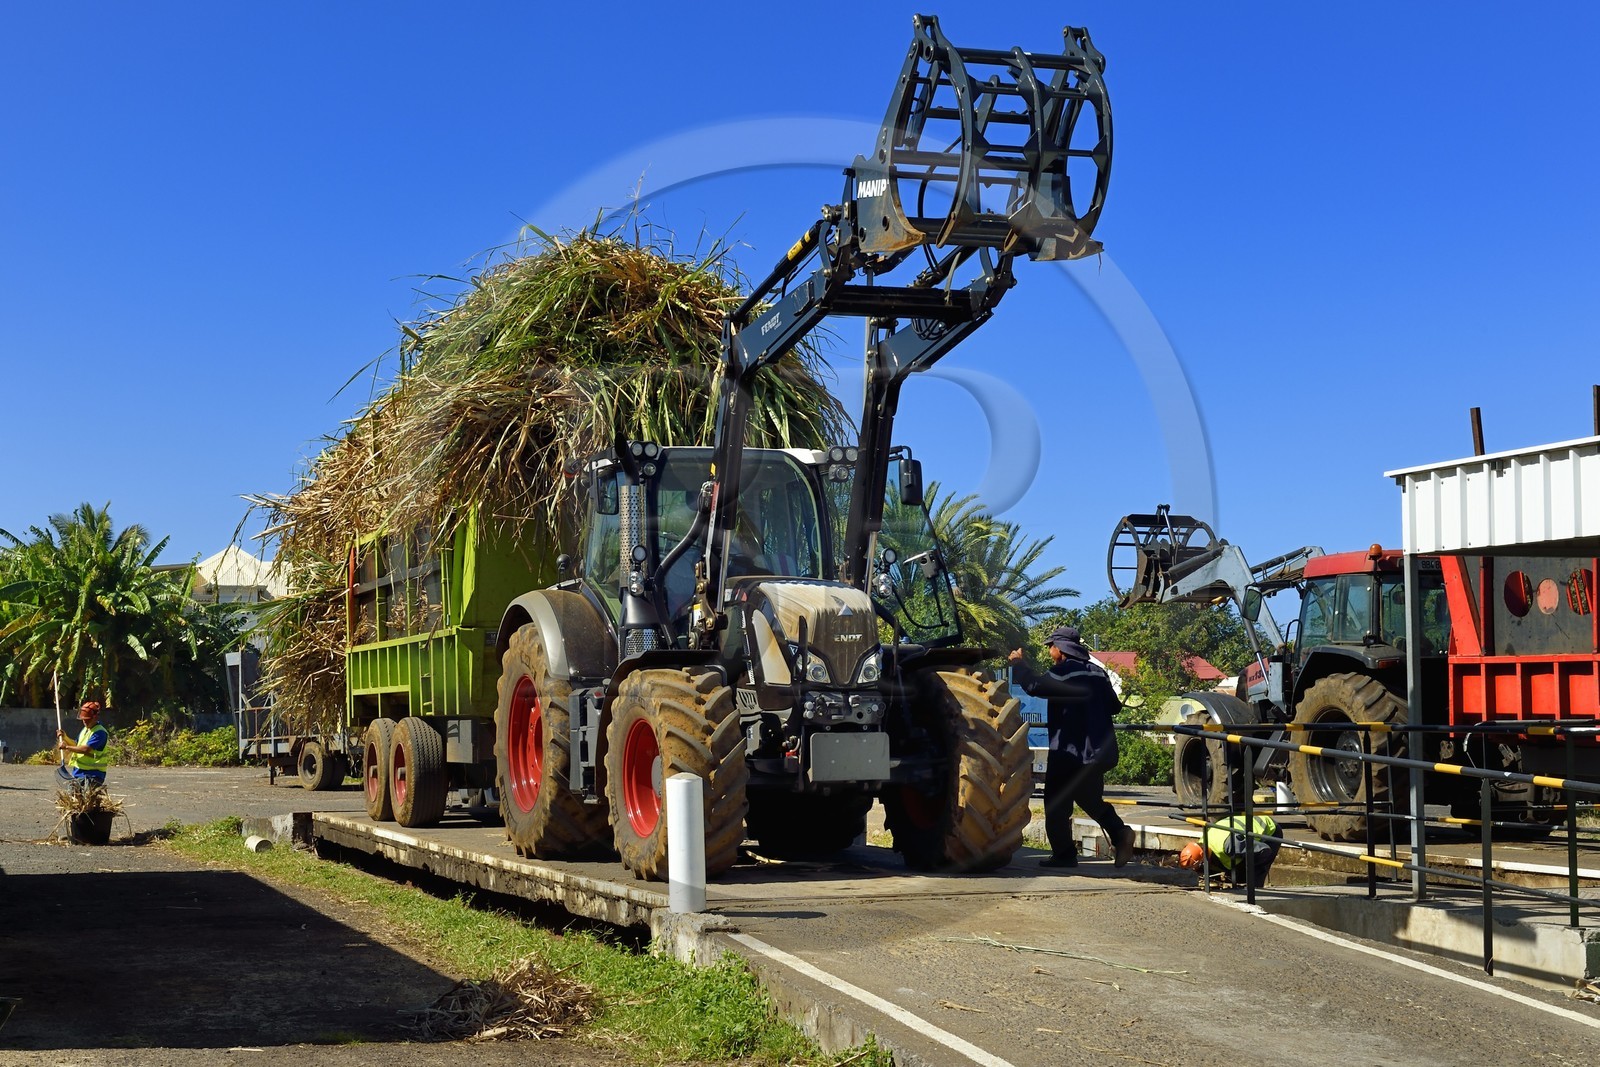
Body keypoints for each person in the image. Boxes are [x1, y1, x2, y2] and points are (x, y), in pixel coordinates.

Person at [1008, 626, 1135, 869]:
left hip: (1071, 751)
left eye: (1050, 645)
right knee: (1089, 798)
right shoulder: (1099, 674)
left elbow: (1034, 686)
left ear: (1061, 649)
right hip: (1099, 751)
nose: (1049, 650)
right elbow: (1114, 706)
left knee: (1055, 803)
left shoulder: (1063, 672)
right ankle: (1120, 833)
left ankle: (1064, 854)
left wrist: (1018, 665)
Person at [1178, 813, 1281, 887]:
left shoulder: (1231, 846)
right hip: (1238, 833)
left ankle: (1256, 893)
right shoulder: (1204, 841)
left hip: (1269, 831)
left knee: (1252, 876)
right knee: (1235, 872)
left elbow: (1264, 851)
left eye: (1198, 867)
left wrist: (1247, 870)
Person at [56, 700, 110, 789]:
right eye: (83, 719)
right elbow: (76, 745)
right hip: (78, 772)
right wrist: (65, 737)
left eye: (87, 720)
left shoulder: (99, 733)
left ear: (95, 717)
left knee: (87, 800)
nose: (85, 722)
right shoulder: (85, 730)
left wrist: (66, 747)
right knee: (76, 798)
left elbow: (85, 749)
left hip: (92, 774)